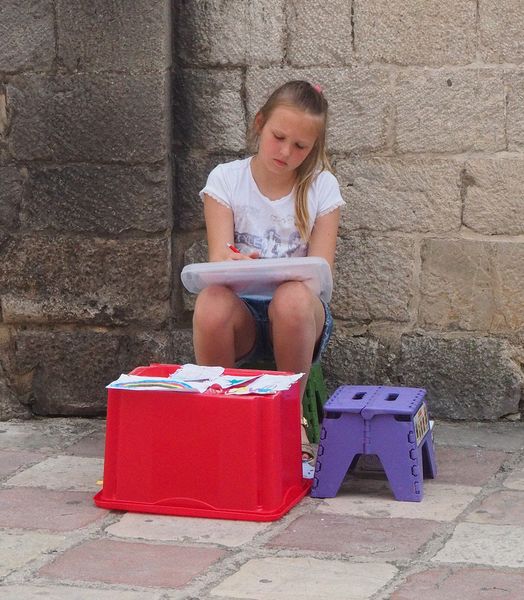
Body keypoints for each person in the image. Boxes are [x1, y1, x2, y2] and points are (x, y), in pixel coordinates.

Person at [193, 80, 345, 463]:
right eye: (278, 137)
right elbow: (219, 261)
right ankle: (220, 419)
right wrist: (231, 263)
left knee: (292, 297)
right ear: (259, 124)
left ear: (314, 148)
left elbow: (321, 278)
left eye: (300, 146)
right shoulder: (226, 180)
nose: (286, 152)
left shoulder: (321, 187)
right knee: (210, 302)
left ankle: (291, 421)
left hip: (299, 319)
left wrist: (284, 276)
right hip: (241, 315)